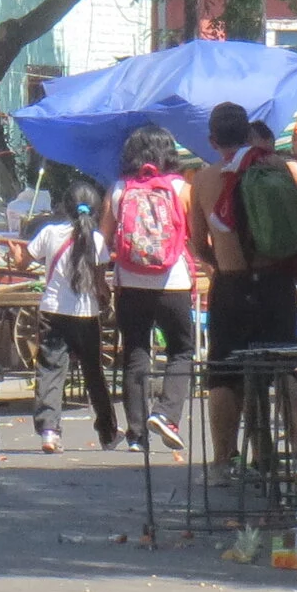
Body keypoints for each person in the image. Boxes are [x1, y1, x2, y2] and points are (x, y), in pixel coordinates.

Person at [190, 102, 297, 471]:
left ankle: (224, 458)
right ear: (250, 133)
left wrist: (218, 263)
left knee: (224, 373)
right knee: (284, 365)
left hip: (232, 284)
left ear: (212, 139)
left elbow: (196, 242)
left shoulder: (204, 180)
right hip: (275, 281)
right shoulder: (276, 168)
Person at [110, 123, 197, 451]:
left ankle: (136, 434)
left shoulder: (119, 189)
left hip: (129, 283)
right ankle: (166, 414)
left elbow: (106, 238)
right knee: (181, 349)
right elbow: (196, 234)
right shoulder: (180, 188)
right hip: (172, 283)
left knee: (135, 352)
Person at [28, 178, 117, 453]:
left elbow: (27, 257)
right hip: (85, 315)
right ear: (95, 209)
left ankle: (49, 431)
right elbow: (100, 284)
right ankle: (107, 433)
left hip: (53, 311)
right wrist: (107, 297)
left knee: (51, 370)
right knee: (93, 373)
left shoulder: (50, 233)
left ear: (65, 207)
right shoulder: (98, 240)